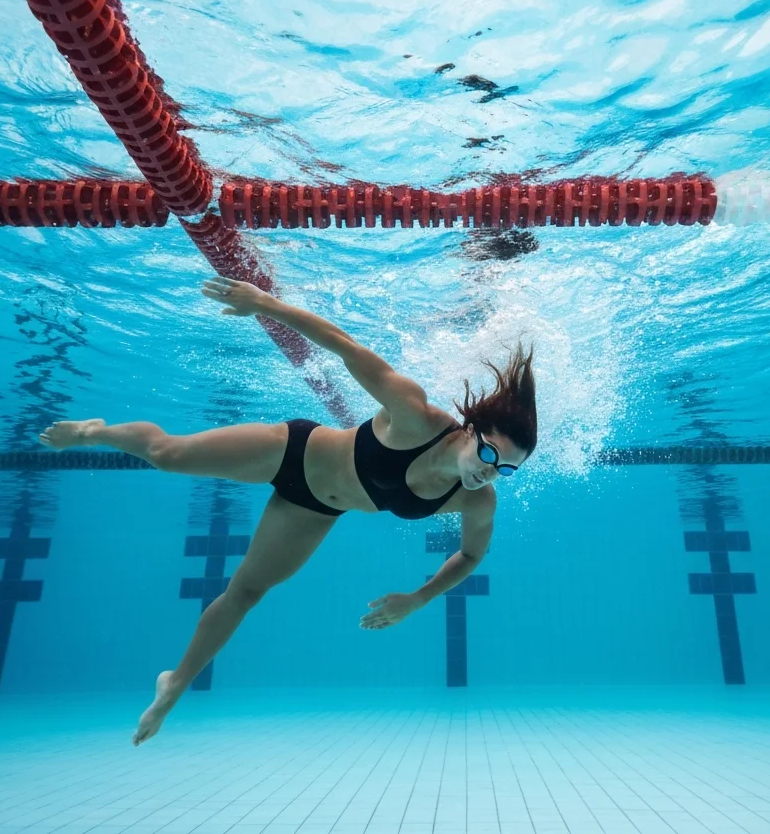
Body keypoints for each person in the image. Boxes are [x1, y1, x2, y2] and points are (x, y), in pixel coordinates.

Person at [39, 277, 537, 745]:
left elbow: (471, 556)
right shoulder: (415, 414)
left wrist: (420, 597)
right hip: (292, 451)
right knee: (168, 456)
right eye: (490, 455)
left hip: (315, 507)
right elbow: (345, 347)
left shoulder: (476, 497)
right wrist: (266, 304)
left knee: (246, 591)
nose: (490, 472)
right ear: (474, 430)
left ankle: (174, 683)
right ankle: (93, 431)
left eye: (506, 470)